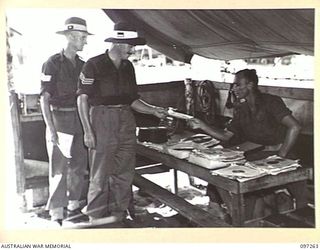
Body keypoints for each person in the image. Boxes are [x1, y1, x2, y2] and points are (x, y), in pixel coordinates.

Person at [77, 21, 168, 223]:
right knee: (100, 174)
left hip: (126, 120)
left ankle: (118, 214)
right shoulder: (93, 64)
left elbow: (132, 100)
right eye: (130, 45)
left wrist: (154, 110)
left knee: (124, 172)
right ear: (118, 43)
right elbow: (82, 98)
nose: (133, 49)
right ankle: (96, 217)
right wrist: (88, 131)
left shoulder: (128, 67)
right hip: (102, 119)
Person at [188, 69, 301, 220]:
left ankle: (245, 217)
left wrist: (281, 155)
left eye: (238, 85)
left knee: (247, 186)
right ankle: (229, 213)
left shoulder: (271, 102)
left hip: (278, 156)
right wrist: (202, 125)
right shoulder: (240, 108)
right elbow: (226, 135)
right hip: (257, 154)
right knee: (219, 172)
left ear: (250, 85)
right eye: (233, 85)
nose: (234, 89)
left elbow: (295, 127)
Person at [40, 17, 92, 226]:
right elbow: (44, 98)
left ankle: (73, 207)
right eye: (82, 37)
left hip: (79, 119)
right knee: (59, 169)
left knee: (79, 166)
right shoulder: (51, 63)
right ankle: (56, 213)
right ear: (70, 37)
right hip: (59, 119)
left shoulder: (84, 65)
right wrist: (51, 128)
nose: (85, 42)